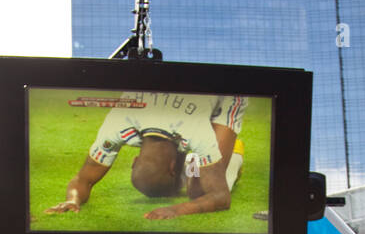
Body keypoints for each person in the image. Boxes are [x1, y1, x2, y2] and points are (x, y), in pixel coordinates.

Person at [45, 94, 246, 220]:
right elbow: (83, 180)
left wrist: (177, 210)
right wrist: (73, 200)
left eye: (177, 184)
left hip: (224, 94)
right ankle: (206, 159)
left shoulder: (197, 133)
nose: (180, 191)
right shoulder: (116, 123)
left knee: (198, 192)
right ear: (134, 162)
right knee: (199, 183)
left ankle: (233, 158)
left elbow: (220, 197)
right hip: (188, 116)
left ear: (174, 167)